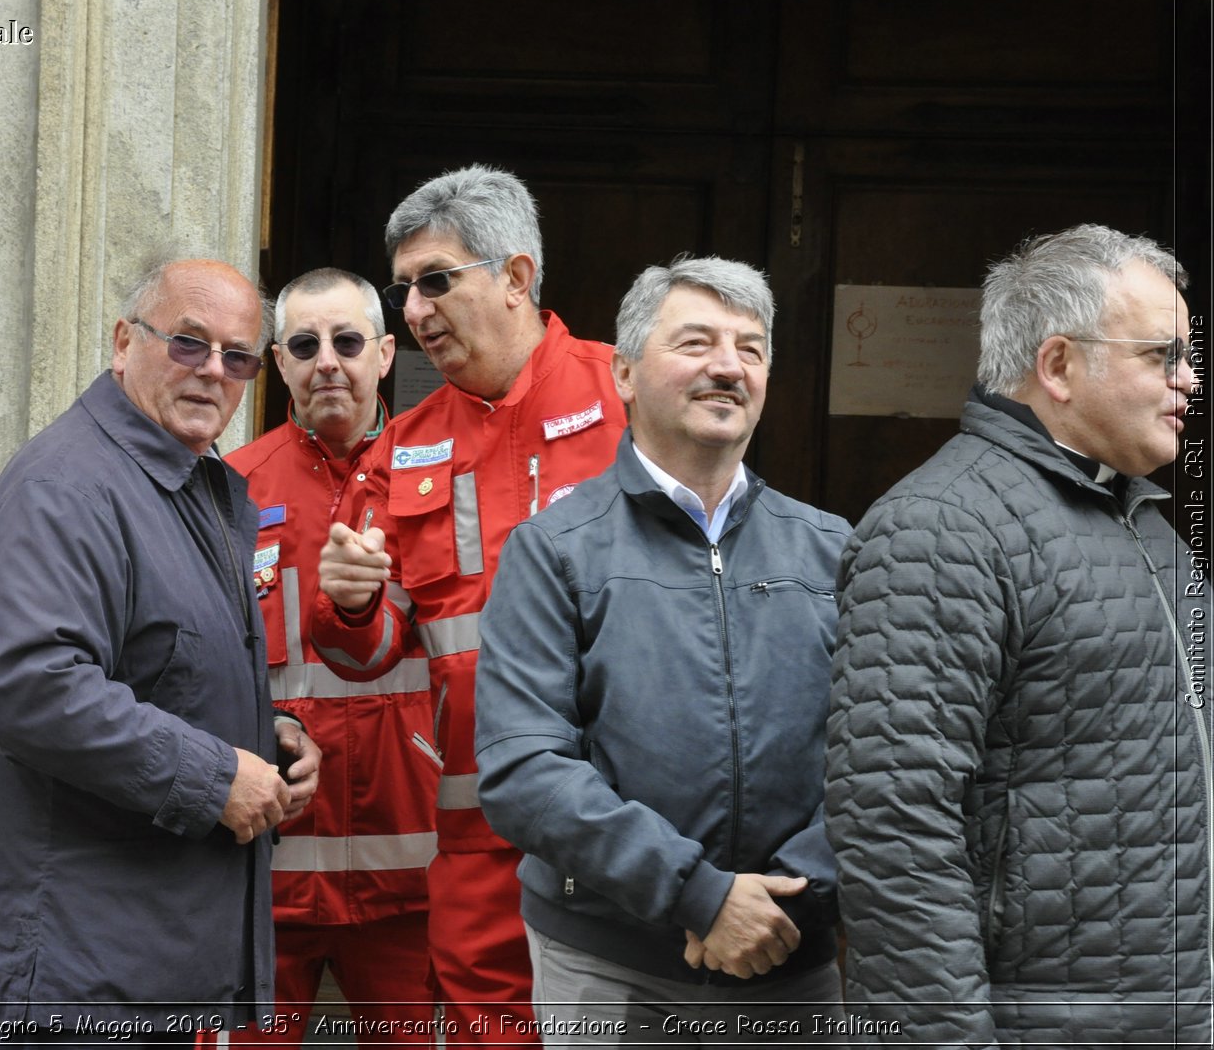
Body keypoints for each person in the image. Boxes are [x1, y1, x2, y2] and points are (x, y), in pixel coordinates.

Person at [825, 224, 1211, 1044]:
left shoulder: (1147, 524)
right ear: (1059, 364)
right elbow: (895, 825)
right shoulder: (938, 528)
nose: (1192, 380)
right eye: (1163, 355)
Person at [0, 258, 322, 1046]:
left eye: (239, 356)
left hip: (137, 956)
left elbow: (157, 669)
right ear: (123, 340)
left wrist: (262, 737)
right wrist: (218, 775)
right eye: (188, 342)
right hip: (86, 969)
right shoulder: (69, 486)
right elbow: (35, 689)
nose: (214, 371)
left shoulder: (177, 480)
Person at [474, 255, 849, 1045]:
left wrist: (791, 897)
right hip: (612, 968)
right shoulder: (555, 551)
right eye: (697, 343)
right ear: (625, 372)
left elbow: (880, 754)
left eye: (750, 348)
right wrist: (698, 893)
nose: (727, 366)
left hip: (791, 959)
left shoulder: (834, 550)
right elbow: (523, 770)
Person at [311, 164, 627, 1044]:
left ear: (517, 277)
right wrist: (346, 605)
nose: (412, 310)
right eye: (404, 287)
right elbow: (366, 651)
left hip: (634, 808)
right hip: (481, 822)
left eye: (436, 280)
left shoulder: (629, 393)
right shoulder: (403, 446)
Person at [223, 267, 438, 1045]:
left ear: (385, 353)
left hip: (406, 872)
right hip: (265, 874)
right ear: (278, 363)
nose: (328, 362)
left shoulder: (437, 475)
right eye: (305, 345)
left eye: (348, 342)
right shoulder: (231, 490)